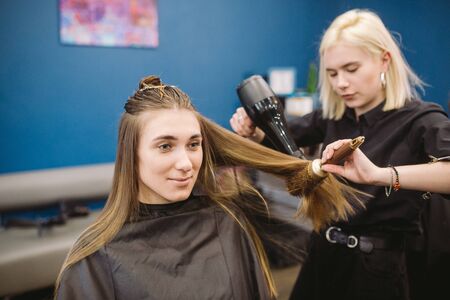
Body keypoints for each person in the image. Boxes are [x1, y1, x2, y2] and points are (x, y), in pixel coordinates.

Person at [54, 75, 358, 300]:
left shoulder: (227, 221)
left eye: (194, 144)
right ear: (131, 154)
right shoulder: (96, 255)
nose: (186, 163)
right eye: (165, 146)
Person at [230, 9, 450, 300]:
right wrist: (253, 131)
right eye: (332, 73)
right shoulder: (332, 117)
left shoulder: (422, 120)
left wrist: (381, 175)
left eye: (351, 69)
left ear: (385, 60)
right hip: (324, 256)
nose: (341, 83)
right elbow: (283, 145)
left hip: (380, 270)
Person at [321, 140, 450, 194]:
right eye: (333, 79)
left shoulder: (425, 118)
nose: (342, 84)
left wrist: (378, 175)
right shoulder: (328, 117)